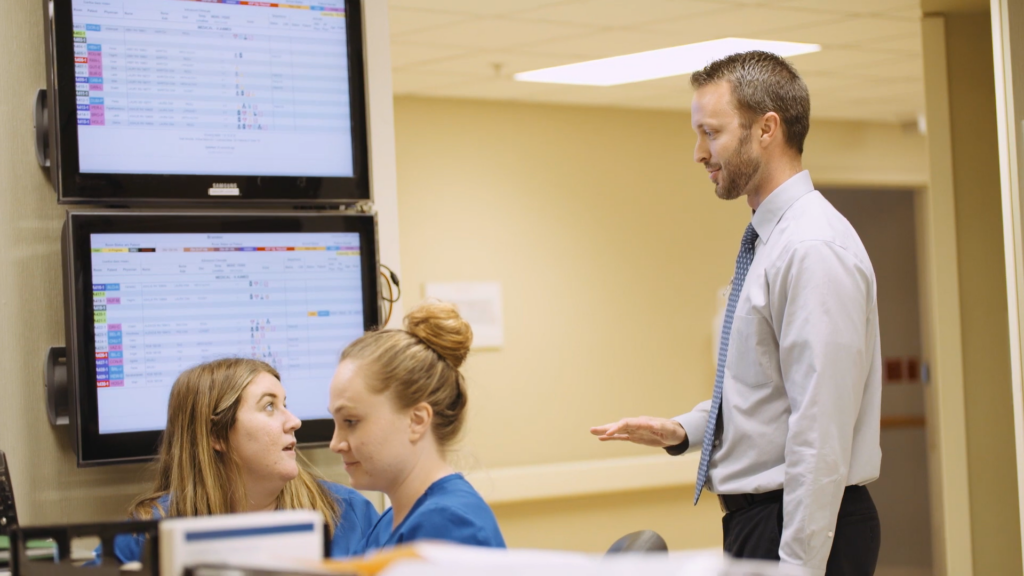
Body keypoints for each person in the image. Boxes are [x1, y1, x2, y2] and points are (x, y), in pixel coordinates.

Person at [590, 51, 881, 576]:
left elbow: (821, 429)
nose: (699, 153)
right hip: (761, 521)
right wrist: (682, 430)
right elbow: (768, 393)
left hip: (801, 525)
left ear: (767, 129)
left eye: (711, 132)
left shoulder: (810, 247)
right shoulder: (770, 242)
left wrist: (797, 566)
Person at [107, 358, 379, 563]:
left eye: (285, 404)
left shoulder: (349, 513)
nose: (294, 421)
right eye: (269, 406)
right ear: (217, 435)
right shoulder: (146, 533)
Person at [328, 302, 506, 551]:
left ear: (417, 420)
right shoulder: (392, 521)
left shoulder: (448, 526)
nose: (336, 444)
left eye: (351, 422)